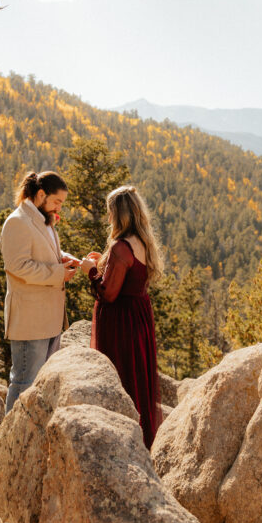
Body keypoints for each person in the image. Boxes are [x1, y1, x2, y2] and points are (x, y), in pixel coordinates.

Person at [79, 184, 163, 448]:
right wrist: (103, 264)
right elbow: (128, 278)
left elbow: (108, 293)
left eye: (110, 212)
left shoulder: (120, 247)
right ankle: (143, 437)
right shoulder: (144, 243)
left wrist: (91, 271)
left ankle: (120, 439)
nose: (108, 218)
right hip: (139, 317)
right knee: (138, 377)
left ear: (118, 214)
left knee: (121, 376)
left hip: (120, 322)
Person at [1, 170, 79, 413]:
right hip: (29, 319)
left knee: (38, 383)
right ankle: (9, 443)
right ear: (41, 194)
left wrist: (68, 260)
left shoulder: (43, 220)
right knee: (24, 382)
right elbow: (17, 266)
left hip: (48, 318)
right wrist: (58, 273)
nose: (59, 208)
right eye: (57, 201)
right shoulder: (17, 222)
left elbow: (46, 254)